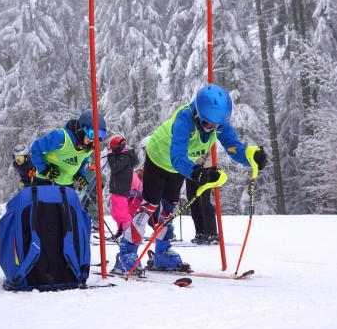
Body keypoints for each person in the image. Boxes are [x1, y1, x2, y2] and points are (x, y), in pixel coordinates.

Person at [113, 84, 267, 274]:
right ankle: (126, 253)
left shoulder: (217, 123)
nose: (213, 129)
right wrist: (196, 172)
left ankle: (162, 252)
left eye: (218, 126)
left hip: (179, 165)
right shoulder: (185, 118)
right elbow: (177, 156)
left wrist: (251, 157)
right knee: (150, 206)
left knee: (169, 208)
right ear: (199, 115)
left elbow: (233, 147)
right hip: (159, 157)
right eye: (209, 124)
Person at [31, 110, 106, 189]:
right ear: (82, 128)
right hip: (45, 181)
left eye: (100, 135)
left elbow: (82, 162)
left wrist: (81, 175)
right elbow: (36, 148)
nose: (93, 139)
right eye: (92, 134)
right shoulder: (61, 138)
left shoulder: (88, 147)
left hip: (66, 185)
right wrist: (43, 168)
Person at [106, 135, 138, 240]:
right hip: (117, 189)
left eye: (113, 149)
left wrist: (110, 156)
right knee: (116, 214)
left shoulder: (125, 157)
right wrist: (112, 155)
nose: (112, 151)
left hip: (120, 190)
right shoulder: (122, 156)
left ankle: (129, 235)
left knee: (122, 214)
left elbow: (115, 167)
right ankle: (120, 231)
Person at [187, 152, 219, 245]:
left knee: (204, 202)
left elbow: (211, 155)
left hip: (204, 172)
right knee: (193, 202)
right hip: (190, 172)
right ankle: (200, 232)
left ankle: (211, 232)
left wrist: (206, 169)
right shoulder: (187, 138)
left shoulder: (207, 138)